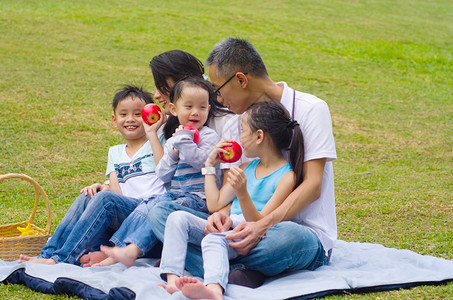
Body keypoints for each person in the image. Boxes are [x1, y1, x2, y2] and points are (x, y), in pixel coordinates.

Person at [148, 37, 337, 287]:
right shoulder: (240, 122)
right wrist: (223, 216)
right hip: (240, 229)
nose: (218, 99)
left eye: (217, 89)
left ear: (240, 79)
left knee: (289, 238)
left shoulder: (311, 108)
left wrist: (262, 226)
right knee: (162, 214)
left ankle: (207, 264)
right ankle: (237, 269)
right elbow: (233, 187)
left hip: (291, 231)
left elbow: (312, 186)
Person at [158, 100, 302, 299]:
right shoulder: (246, 169)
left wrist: (242, 194)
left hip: (249, 235)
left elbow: (259, 224)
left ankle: (214, 290)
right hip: (228, 228)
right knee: (177, 218)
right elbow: (214, 204)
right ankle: (173, 280)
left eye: (243, 131)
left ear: (259, 136)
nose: (240, 138)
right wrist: (209, 164)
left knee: (213, 241)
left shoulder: (287, 176)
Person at [19, 85, 167, 265]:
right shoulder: (115, 152)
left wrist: (156, 127)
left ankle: (62, 258)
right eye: (123, 114)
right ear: (114, 120)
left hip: (147, 214)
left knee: (105, 199)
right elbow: (116, 191)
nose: (130, 119)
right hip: (124, 212)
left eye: (137, 114)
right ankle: (47, 254)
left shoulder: (157, 140)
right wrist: (102, 187)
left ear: (147, 117)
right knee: (88, 196)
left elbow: (164, 167)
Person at [93, 76, 220, 267]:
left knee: (160, 210)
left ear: (208, 109)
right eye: (189, 107)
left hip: (197, 198)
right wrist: (173, 152)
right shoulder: (174, 138)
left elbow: (202, 161)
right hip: (176, 194)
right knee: (149, 204)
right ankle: (119, 248)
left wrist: (183, 142)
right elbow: (163, 174)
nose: (195, 112)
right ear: (175, 109)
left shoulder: (208, 135)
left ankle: (131, 250)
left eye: (202, 107)